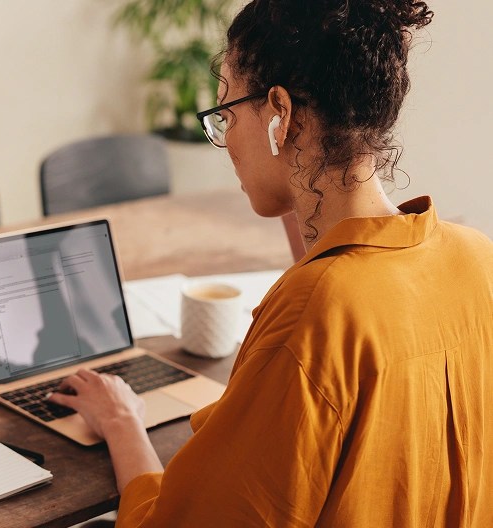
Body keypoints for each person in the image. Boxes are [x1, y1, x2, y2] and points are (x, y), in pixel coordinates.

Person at [48, 0, 493, 525]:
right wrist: (302, 204)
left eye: (226, 113)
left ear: (279, 113)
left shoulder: (317, 312)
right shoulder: (477, 256)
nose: (226, 142)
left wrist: (123, 422)